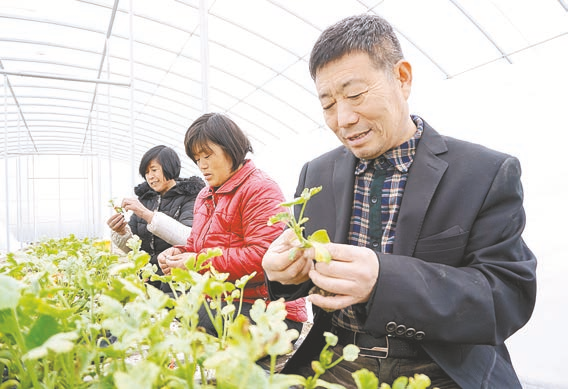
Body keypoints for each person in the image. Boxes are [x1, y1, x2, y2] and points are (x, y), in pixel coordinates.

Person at [261, 14, 537, 389]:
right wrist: (281, 275)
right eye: (328, 104)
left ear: (402, 78)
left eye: (355, 95)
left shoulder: (483, 172)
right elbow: (307, 272)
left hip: (440, 370)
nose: (343, 119)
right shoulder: (317, 174)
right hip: (336, 361)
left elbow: (507, 296)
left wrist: (383, 281)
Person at [157, 113, 307, 335]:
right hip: (225, 301)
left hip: (269, 313)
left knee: (165, 310)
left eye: (207, 155)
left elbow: (265, 259)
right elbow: (196, 248)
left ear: (231, 148)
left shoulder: (260, 189)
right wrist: (176, 255)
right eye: (197, 159)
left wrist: (197, 262)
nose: (202, 165)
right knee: (156, 304)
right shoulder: (205, 196)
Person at [107, 145, 205, 290]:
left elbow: (189, 239)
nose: (150, 176)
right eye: (146, 172)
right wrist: (122, 232)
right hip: (146, 277)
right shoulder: (145, 200)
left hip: (175, 278)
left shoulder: (190, 198)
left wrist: (147, 214)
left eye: (154, 170)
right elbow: (134, 247)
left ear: (169, 167)